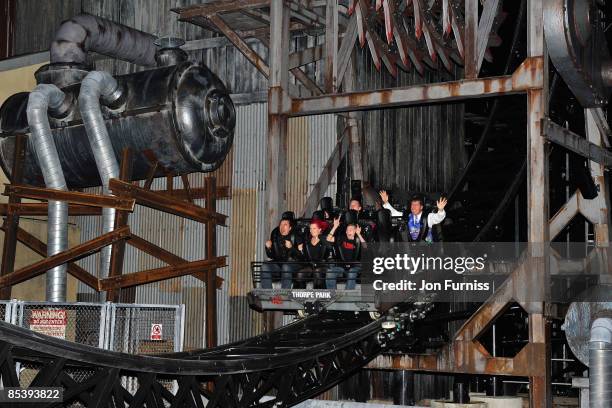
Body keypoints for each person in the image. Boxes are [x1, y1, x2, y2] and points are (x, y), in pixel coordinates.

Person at [379, 190, 447, 242]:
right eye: (412, 205)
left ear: (421, 207)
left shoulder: (428, 217)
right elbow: (393, 212)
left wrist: (440, 210)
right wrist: (386, 202)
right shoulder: (407, 215)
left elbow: (439, 217)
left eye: (416, 205)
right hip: (409, 249)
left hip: (425, 249)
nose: (413, 207)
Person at [261, 212, 302, 289]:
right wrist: (268, 248)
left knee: (286, 267)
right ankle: (267, 293)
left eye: (285, 225)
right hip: (279, 264)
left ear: (290, 228)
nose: (282, 227)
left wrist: (291, 248)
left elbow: (302, 257)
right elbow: (271, 255)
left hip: (294, 264)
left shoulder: (296, 235)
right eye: (281, 224)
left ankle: (284, 293)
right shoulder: (275, 234)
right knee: (265, 266)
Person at [326, 217, 365, 289]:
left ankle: (347, 296)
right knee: (330, 272)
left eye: (351, 229)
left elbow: (365, 247)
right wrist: (334, 227)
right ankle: (332, 295)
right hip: (342, 266)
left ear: (355, 231)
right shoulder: (341, 239)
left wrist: (359, 235)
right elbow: (328, 239)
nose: (349, 231)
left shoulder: (358, 240)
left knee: (351, 272)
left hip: (355, 266)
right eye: (347, 229)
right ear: (346, 231)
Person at [296, 220, 332, 289]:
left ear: (319, 229)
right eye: (310, 228)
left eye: (314, 228)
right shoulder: (307, 241)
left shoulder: (324, 239)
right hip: (311, 265)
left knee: (317, 271)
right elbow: (303, 257)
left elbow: (329, 247)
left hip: (323, 265)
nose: (311, 230)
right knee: (300, 273)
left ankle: (320, 295)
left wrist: (321, 238)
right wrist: (301, 251)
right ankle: (300, 295)